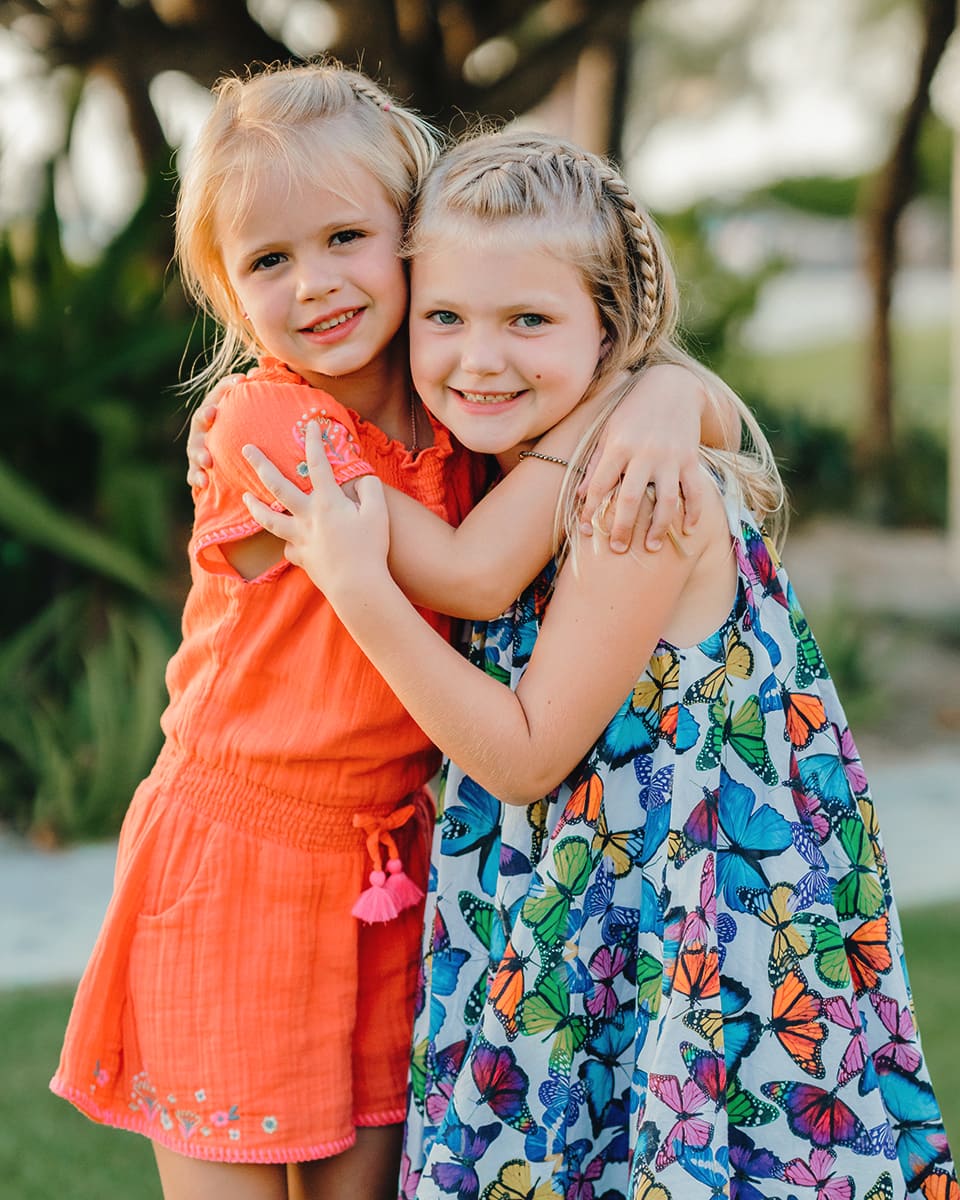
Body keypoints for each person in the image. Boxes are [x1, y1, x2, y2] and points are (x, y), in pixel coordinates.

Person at [50, 62, 728, 1200]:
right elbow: (469, 577)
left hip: (385, 869)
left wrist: (658, 392)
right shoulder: (267, 425)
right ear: (226, 292)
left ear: (412, 241)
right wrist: (632, 399)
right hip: (240, 864)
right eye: (269, 261)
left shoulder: (453, 402)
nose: (314, 285)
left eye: (345, 238)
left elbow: (677, 395)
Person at [240, 130, 958, 1200]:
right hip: (584, 925)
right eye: (445, 317)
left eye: (528, 319)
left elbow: (524, 755)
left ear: (610, 332)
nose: (479, 359)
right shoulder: (529, 451)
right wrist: (672, 390)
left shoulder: (641, 497)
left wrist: (357, 588)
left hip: (690, 944)